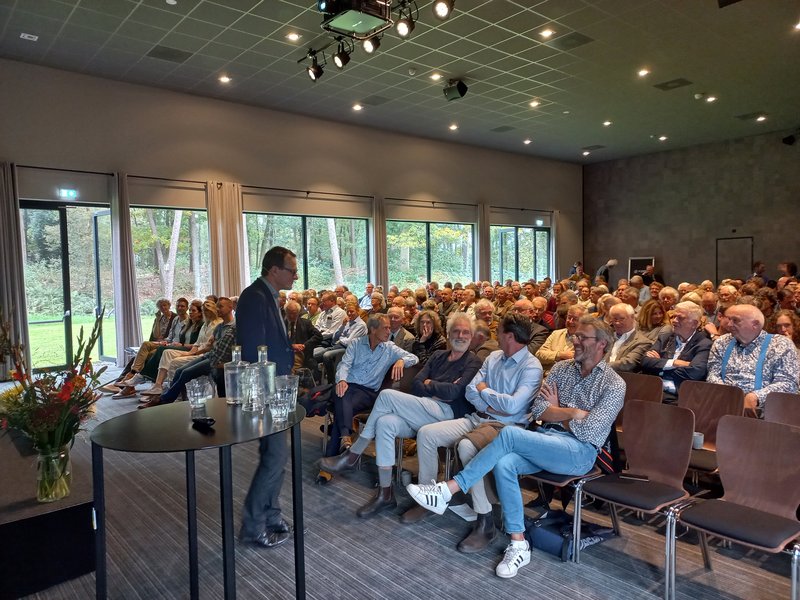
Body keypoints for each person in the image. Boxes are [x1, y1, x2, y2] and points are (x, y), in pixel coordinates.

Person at [407, 316, 624, 578]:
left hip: (578, 452)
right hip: (544, 438)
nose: (574, 341)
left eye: (581, 337)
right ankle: (519, 542)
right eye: (573, 336)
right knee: (504, 462)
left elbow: (590, 430)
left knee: (509, 434)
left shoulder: (614, 384)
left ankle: (448, 489)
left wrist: (560, 412)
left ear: (601, 343)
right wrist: (575, 413)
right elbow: (539, 410)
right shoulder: (561, 369)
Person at [319, 313, 482, 517]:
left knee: (387, 396)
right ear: (448, 334)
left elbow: (454, 393)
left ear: (472, 335)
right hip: (423, 408)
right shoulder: (438, 356)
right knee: (385, 423)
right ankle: (385, 494)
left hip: (448, 415)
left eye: (465, 332)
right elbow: (416, 384)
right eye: (456, 331)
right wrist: (435, 388)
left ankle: (353, 453)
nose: (460, 335)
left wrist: (431, 384)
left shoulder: (473, 361)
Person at [410, 313, 543, 553]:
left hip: (506, 428)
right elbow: (471, 391)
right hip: (477, 418)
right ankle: (429, 497)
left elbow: (513, 407)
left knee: (467, 447)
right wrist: (489, 404)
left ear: (509, 336)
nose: (494, 335)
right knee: (427, 434)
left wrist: (486, 393)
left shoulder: (531, 366)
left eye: (499, 331)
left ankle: (485, 521)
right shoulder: (493, 357)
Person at [236, 246, 298, 549]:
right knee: (273, 458)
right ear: (274, 270)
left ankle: (272, 515)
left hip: (276, 389)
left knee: (278, 458)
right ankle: (253, 525)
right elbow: (252, 351)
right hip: (266, 390)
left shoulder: (268, 296)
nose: (296, 275)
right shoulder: (254, 297)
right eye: (291, 270)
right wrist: (265, 394)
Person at [320, 314, 419, 476]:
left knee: (341, 400)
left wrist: (401, 361)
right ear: (373, 329)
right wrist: (342, 380)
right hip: (348, 387)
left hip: (367, 393)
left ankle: (340, 444)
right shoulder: (356, 344)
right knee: (342, 392)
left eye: (389, 328)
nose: (389, 331)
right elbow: (344, 365)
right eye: (385, 328)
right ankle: (342, 443)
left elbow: (413, 358)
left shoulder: (390, 348)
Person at [706, 304, 799, 415]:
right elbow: (713, 375)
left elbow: (788, 383)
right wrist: (728, 394)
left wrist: (756, 396)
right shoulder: (721, 342)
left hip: (766, 412)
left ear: (755, 324)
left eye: (736, 320)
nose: (729, 325)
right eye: (729, 319)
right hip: (724, 406)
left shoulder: (781, 344)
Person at [641, 301, 712, 402]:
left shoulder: (704, 344)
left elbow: (695, 372)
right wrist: (674, 363)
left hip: (680, 397)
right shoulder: (665, 337)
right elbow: (645, 362)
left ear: (694, 323)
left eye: (680, 318)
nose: (674, 321)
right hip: (655, 390)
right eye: (674, 317)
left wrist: (660, 367)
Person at [535, 304, 587, 376]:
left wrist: (550, 355)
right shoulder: (556, 334)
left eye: (575, 319)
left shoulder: (587, 340)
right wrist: (559, 354)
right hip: (546, 375)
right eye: (569, 318)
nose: (570, 321)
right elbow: (539, 354)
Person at [606, 303, 651, 372]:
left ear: (632, 317)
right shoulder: (606, 338)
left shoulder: (643, 342)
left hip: (624, 379)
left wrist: (599, 368)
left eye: (621, 319)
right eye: (615, 319)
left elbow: (628, 363)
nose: (617, 323)